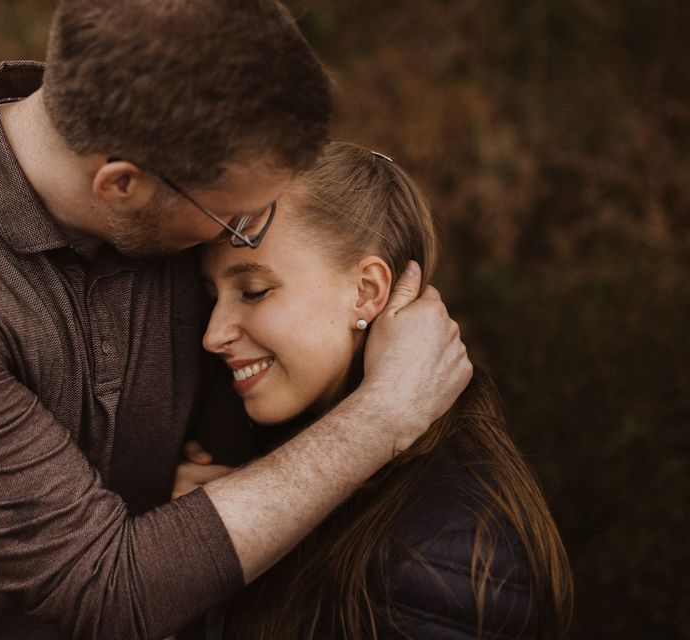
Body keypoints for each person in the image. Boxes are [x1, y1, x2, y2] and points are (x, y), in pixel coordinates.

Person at [0, 3, 471, 639]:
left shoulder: (174, 205)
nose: (244, 233)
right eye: (232, 217)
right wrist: (386, 413)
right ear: (121, 186)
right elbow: (107, 586)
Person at [187, 142, 573, 638]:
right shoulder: (275, 451)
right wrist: (208, 539)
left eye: (254, 291)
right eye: (210, 296)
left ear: (366, 290)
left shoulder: (438, 553)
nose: (214, 334)